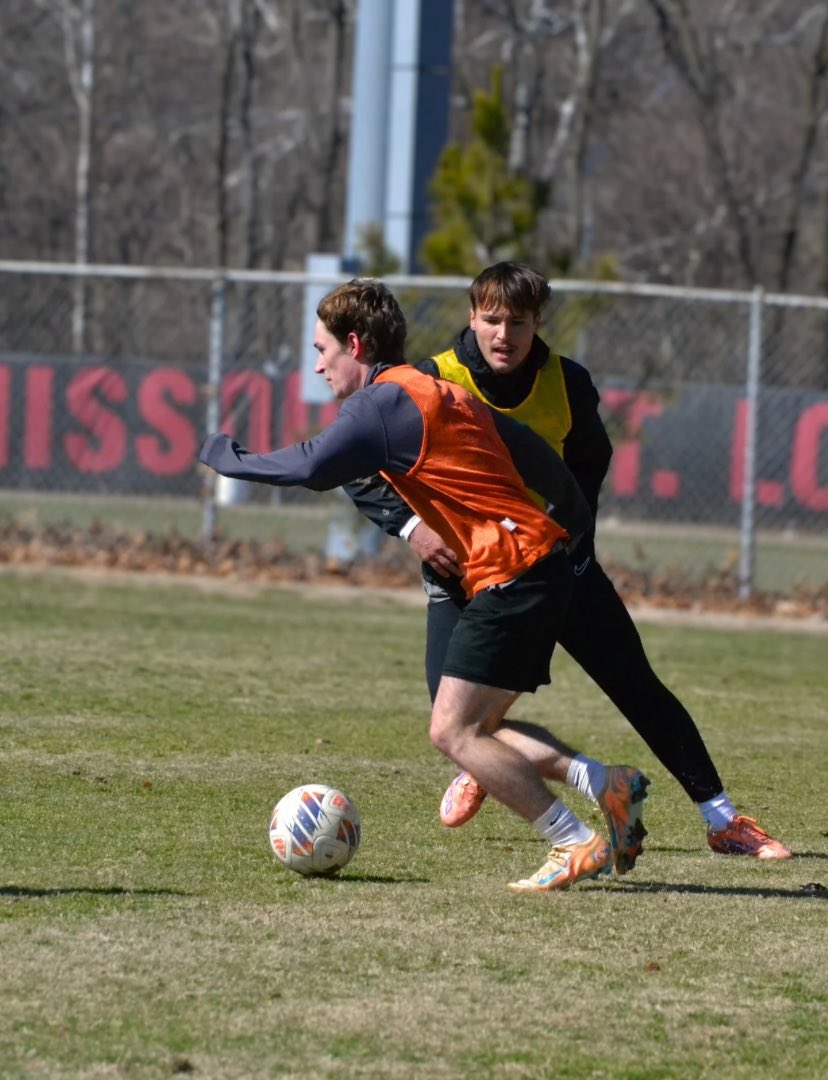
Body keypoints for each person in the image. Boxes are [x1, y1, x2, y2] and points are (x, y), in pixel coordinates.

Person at [200, 278, 650, 892]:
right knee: (476, 728)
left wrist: (225, 454)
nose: (318, 364)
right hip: (537, 564)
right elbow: (535, 458)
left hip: (512, 573)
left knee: (451, 731)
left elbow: (310, 466)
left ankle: (573, 841)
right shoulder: (433, 389)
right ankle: (606, 784)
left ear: (353, 344)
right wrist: (571, 526)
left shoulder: (378, 405)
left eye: (322, 349)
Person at [346, 262, 790, 863]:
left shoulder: (567, 382)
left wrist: (569, 544)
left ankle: (724, 820)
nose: (505, 334)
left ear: (538, 324)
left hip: (555, 565)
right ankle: (493, 762)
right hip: (464, 578)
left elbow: (587, 470)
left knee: (638, 688)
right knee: (452, 722)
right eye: (493, 319)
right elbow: (359, 466)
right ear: (471, 318)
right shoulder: (428, 379)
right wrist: (415, 529)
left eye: (520, 322)